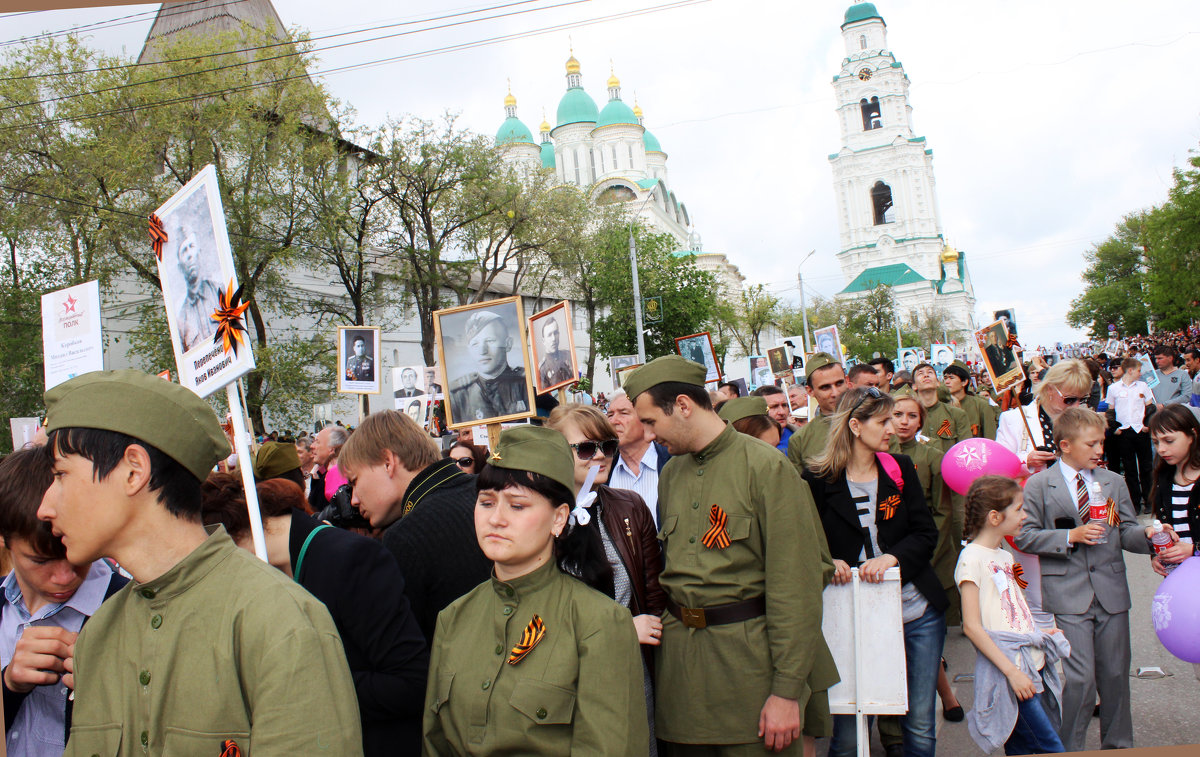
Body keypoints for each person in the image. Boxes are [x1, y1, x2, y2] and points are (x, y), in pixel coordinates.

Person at [36, 369, 362, 756]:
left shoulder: (279, 621)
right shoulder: (99, 636)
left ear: (133, 471)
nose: (45, 507)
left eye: (60, 475)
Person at [625, 356, 838, 756]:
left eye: (651, 421)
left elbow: (796, 586)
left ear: (684, 406)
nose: (648, 435)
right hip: (682, 678)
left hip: (750, 676)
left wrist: (787, 691)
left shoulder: (766, 468)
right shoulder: (672, 474)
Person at [421, 426, 648, 755]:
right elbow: (434, 742)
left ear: (559, 519)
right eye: (486, 503)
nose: (496, 519)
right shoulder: (454, 618)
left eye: (517, 506)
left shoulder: (599, 623)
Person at [200, 476, 428, 756]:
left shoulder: (349, 559)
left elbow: (411, 682)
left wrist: (308, 684)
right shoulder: (266, 576)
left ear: (231, 536)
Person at [803, 387, 946, 757]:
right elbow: (803, 539)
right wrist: (826, 560)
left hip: (915, 612)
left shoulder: (900, 469)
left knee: (919, 722)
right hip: (853, 616)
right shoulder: (817, 480)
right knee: (851, 727)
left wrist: (893, 558)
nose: (892, 428)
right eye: (883, 421)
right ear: (854, 425)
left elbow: (925, 533)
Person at [1014, 408, 1153, 752]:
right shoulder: (1039, 484)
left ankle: (1118, 745)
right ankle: (1069, 747)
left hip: (1111, 590)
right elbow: (1025, 536)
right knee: (1080, 679)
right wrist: (1069, 536)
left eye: (1101, 442)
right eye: (1091, 443)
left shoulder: (1112, 481)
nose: (1099, 450)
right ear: (1065, 445)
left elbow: (1127, 531)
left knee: (1117, 677)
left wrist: (1149, 536)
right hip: (1068, 593)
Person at [545, 405, 666, 754]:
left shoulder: (630, 506)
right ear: (556, 452)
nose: (600, 455)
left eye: (608, 445)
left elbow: (653, 599)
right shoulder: (538, 518)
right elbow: (539, 614)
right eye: (586, 448)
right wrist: (623, 629)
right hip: (568, 684)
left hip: (630, 674)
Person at [0, 449, 127, 757]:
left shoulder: (126, 609)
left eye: (78, 556)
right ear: (4, 539)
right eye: (41, 560)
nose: (64, 577)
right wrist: (8, 685)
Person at [339, 410, 491, 644]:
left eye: (354, 481)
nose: (354, 500)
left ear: (388, 462)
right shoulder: (488, 491)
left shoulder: (405, 537)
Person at [957, 476, 1067, 756]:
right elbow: (971, 626)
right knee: (1050, 746)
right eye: (1018, 509)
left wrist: (1040, 634)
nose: (1025, 516)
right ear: (995, 517)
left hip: (1030, 665)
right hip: (1012, 673)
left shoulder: (1005, 557)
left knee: (1022, 747)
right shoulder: (972, 558)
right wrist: (1012, 673)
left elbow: (1015, 606)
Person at [997, 359, 1094, 477]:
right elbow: (1000, 466)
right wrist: (1026, 461)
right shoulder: (1014, 418)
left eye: (1082, 399)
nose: (1076, 405)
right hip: (1033, 492)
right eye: (1069, 399)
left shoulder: (1083, 420)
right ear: (1050, 389)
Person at [449, 311, 529, 422]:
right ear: (469, 350)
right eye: (475, 344)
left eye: (490, 341)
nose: (482, 351)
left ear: (508, 344)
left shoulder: (525, 384)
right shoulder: (458, 394)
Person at [1147, 405, 1200, 574]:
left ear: (1192, 435)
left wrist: (1194, 550)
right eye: (1156, 442)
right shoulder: (1163, 479)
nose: (1161, 449)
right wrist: (1157, 556)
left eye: (1169, 441)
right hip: (1180, 578)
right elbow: (1163, 526)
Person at [605, 390, 669, 525]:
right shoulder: (602, 471)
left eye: (623, 413)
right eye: (610, 414)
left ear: (645, 419)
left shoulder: (672, 461)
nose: (613, 421)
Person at [1105, 357, 1154, 512]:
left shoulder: (1143, 386)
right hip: (1124, 431)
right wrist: (1115, 428)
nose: (1140, 374)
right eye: (1139, 370)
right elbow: (1110, 410)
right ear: (1130, 370)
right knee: (1129, 468)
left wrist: (1147, 425)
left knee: (1146, 467)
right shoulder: (1113, 388)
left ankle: (1150, 500)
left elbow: (1150, 407)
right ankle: (1135, 502)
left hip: (1141, 430)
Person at [787, 352, 848, 474]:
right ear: (810, 391)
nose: (835, 393)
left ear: (847, 381)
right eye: (825, 387)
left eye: (839, 383)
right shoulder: (800, 440)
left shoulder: (874, 423)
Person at [174, 227, 221, 352]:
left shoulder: (220, 292)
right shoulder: (181, 320)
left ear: (199, 254)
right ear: (180, 267)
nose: (190, 254)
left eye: (192, 246)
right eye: (184, 250)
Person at [944, 361, 998, 439]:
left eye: (951, 378)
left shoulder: (981, 405)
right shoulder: (941, 406)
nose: (947, 382)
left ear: (964, 382)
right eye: (945, 378)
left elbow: (990, 439)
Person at [752, 385, 795, 453]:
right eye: (774, 406)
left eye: (784, 405)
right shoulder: (749, 443)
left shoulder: (800, 436)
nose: (782, 412)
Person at [538, 317, 575, 389]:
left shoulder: (569, 355)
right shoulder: (542, 368)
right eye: (549, 335)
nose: (553, 339)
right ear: (543, 341)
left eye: (555, 333)